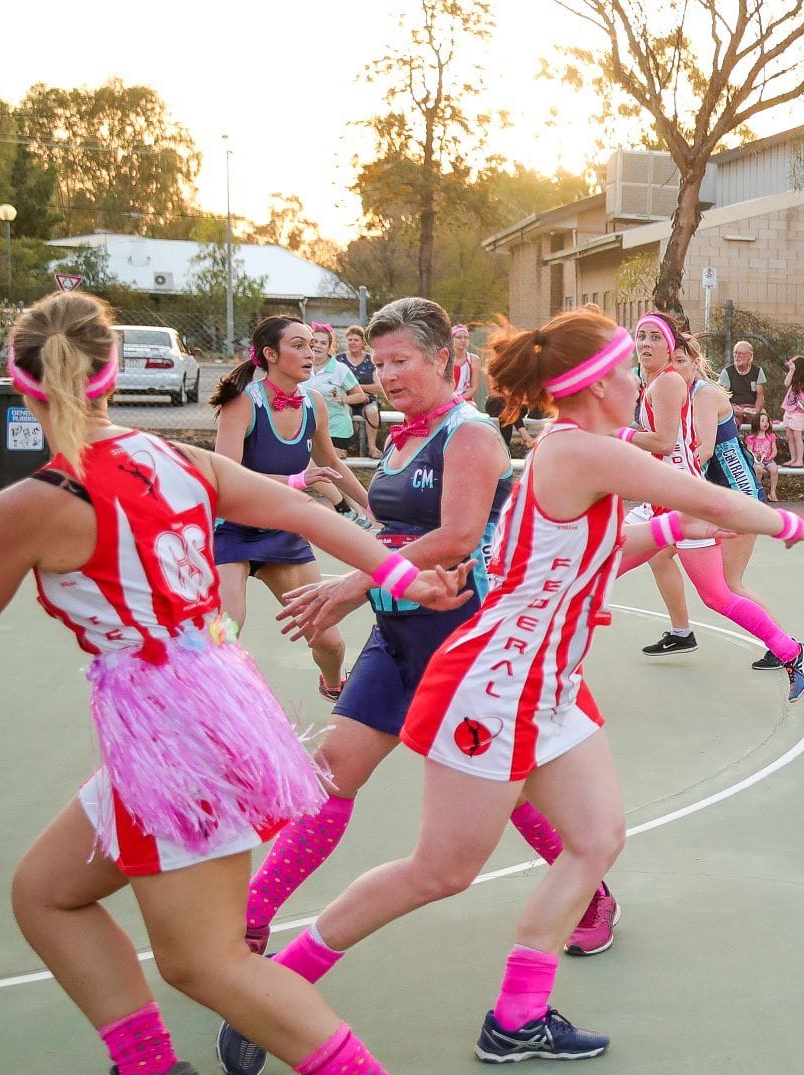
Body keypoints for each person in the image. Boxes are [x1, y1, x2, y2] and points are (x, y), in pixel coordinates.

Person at [252, 307, 804, 1070]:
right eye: (628, 369)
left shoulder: (573, 458)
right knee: (440, 871)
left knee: (597, 840)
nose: (640, 379)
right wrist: (791, 526)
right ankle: (278, 985)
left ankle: (517, 1016)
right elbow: (709, 495)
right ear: (598, 383)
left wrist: (665, 533)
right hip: (496, 685)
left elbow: (600, 550)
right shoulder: (579, 452)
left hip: (547, 687)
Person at [0, 291, 466, 1075]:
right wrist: (404, 571)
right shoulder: (170, 457)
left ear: (21, 387)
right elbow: (309, 516)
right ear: (109, 377)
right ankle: (145, 1073)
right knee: (47, 891)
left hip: (169, 728)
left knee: (200, 959)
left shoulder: (33, 501)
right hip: (208, 705)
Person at [223, 298, 618, 1036]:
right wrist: (337, 499)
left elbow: (458, 534)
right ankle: (251, 924)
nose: (387, 373)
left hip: (467, 643)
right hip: (398, 635)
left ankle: (589, 895)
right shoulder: (406, 439)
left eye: (401, 359)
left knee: (520, 787)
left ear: (442, 360)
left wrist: (348, 584)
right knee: (334, 771)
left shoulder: (468, 437)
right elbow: (392, 525)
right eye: (379, 362)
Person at [626, 313, 804, 695]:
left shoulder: (682, 388)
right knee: (605, 564)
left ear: (680, 355)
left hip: (709, 500)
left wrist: (614, 436)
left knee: (722, 591)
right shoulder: (657, 385)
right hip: (672, 501)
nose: (646, 343)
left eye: (656, 338)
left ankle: (789, 649)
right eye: (640, 336)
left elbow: (677, 447)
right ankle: (683, 631)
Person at [209, 315, 372, 700]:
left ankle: (333, 687)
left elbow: (330, 461)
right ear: (270, 354)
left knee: (329, 642)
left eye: (312, 344)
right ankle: (209, 699)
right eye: (297, 345)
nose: (310, 353)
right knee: (226, 626)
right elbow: (226, 479)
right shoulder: (241, 403)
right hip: (232, 528)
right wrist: (296, 482)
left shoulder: (313, 403)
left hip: (284, 528)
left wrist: (371, 505)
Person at [303, 323, 366, 481]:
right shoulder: (302, 366)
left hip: (336, 428)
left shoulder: (340, 369)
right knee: (310, 472)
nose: (317, 346)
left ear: (330, 347)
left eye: (323, 343)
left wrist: (343, 399)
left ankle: (349, 505)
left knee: (332, 475)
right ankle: (342, 505)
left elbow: (361, 396)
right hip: (308, 429)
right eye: (314, 342)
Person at [339, 325, 383, 457]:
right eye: (350, 340)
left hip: (367, 399)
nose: (352, 342)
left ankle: (372, 448)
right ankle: (341, 448)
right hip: (346, 400)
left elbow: (378, 387)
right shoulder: (338, 360)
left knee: (372, 411)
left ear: (363, 343)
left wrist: (355, 387)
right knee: (342, 412)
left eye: (356, 340)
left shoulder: (371, 360)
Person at [718, 339, 767, 422]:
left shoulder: (758, 371)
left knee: (762, 418)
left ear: (750, 356)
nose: (737, 356)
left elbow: (760, 396)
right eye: (735, 353)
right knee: (731, 420)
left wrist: (756, 411)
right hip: (733, 407)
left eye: (741, 353)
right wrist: (732, 408)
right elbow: (723, 397)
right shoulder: (727, 372)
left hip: (751, 407)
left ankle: (761, 435)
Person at [780, 355, 804, 467]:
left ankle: (800, 460)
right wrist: (791, 371)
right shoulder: (793, 381)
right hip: (789, 411)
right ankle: (793, 459)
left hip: (798, 412)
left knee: (797, 436)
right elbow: (786, 383)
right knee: (789, 436)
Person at [749, 410, 781, 501]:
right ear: (756, 423)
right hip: (757, 460)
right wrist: (756, 457)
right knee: (759, 469)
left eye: (767, 421)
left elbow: (774, 449)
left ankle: (772, 492)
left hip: (768, 459)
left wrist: (772, 456)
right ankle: (758, 490)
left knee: (774, 469)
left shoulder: (771, 436)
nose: (765, 423)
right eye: (762, 421)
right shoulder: (751, 438)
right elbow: (749, 451)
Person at [450, 324, 482, 406]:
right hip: (446, 399)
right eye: (459, 337)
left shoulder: (474, 360)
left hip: (465, 400)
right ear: (451, 339)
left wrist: (459, 400)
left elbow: (474, 387)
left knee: (472, 407)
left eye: (466, 337)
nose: (463, 340)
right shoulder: (445, 359)